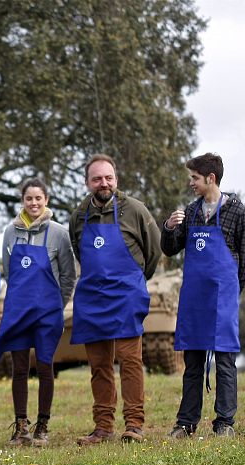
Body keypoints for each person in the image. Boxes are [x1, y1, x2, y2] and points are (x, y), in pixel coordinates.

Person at [69, 154, 162, 445]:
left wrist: (133, 280)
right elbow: (78, 250)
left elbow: (154, 252)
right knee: (99, 366)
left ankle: (134, 424)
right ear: (87, 183)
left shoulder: (135, 210)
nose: (103, 183)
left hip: (125, 297)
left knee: (130, 361)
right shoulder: (79, 215)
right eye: (97, 178)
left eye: (108, 177)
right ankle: (103, 427)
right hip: (92, 299)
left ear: (116, 180)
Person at [162, 152, 245, 439]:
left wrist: (231, 291)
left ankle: (224, 423)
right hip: (193, 301)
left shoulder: (237, 211)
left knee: (225, 362)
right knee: (192, 363)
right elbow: (170, 249)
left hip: (222, 301)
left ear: (210, 178)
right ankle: (185, 423)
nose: (191, 183)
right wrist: (168, 228)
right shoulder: (190, 212)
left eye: (194, 178)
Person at [0, 177, 76, 447]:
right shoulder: (9, 232)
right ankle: (20, 425)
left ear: (46, 200)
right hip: (18, 311)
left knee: (44, 366)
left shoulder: (59, 234)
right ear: (22, 201)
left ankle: (42, 425)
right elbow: (8, 271)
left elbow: (68, 276)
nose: (34, 203)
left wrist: (56, 306)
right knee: (19, 368)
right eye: (29, 198)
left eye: (38, 198)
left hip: (47, 314)